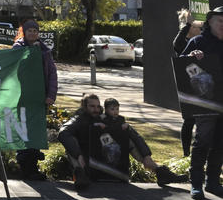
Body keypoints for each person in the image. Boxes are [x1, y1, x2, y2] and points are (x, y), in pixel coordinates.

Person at [58, 94, 186, 191]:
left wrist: (146, 155)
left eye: (98, 106)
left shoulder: (105, 118)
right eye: (92, 106)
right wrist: (79, 154)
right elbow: (63, 133)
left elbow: (134, 135)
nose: (96, 109)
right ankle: (80, 174)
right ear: (84, 107)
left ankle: (159, 171)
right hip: (84, 156)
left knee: (128, 137)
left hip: (103, 153)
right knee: (71, 143)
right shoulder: (78, 119)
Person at [181, 6, 223, 200]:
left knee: (221, 143)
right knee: (203, 141)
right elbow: (181, 64)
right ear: (210, 22)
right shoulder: (199, 41)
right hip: (205, 103)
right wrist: (191, 58)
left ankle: (213, 182)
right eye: (220, 21)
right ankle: (196, 183)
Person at [12, 19, 57, 180]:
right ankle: (25, 167)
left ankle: (33, 167)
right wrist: (32, 52)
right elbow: (17, 67)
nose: (33, 33)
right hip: (23, 98)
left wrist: (51, 95)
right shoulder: (18, 48)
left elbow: (52, 74)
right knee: (24, 131)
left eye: (35, 31)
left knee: (35, 132)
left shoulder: (45, 50)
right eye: (30, 31)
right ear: (25, 32)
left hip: (39, 99)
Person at [173, 9, 203, 157]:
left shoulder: (204, 41)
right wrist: (189, 22)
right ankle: (186, 154)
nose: (200, 28)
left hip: (204, 87)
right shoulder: (183, 43)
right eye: (196, 25)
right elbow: (177, 43)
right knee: (189, 120)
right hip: (189, 87)